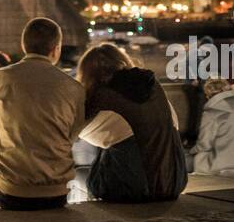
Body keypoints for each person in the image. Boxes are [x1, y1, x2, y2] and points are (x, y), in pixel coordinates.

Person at [0, 17, 84, 211]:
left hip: (10, 191)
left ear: (24, 46)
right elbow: (71, 136)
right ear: (56, 49)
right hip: (58, 192)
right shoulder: (74, 88)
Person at [76, 43, 187, 202]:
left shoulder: (105, 96)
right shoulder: (152, 86)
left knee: (83, 172)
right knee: (115, 143)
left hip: (137, 189)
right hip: (175, 182)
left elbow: (81, 132)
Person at [187, 78, 234, 177]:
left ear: (207, 95)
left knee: (183, 161)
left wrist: (190, 152)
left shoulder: (212, 113)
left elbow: (204, 145)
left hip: (224, 165)